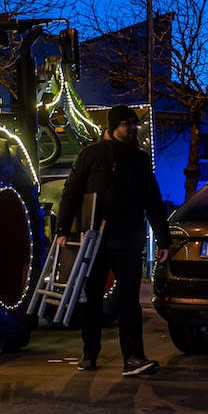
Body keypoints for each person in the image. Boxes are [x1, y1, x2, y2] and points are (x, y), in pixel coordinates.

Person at [55, 105, 171, 377]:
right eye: (127, 124)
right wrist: (63, 228)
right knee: (91, 297)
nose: (133, 128)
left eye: (134, 124)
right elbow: (71, 192)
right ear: (114, 126)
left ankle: (133, 357)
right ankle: (89, 352)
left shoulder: (139, 159)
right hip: (95, 238)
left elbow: (152, 200)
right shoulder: (91, 155)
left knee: (129, 299)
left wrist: (163, 238)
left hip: (128, 237)